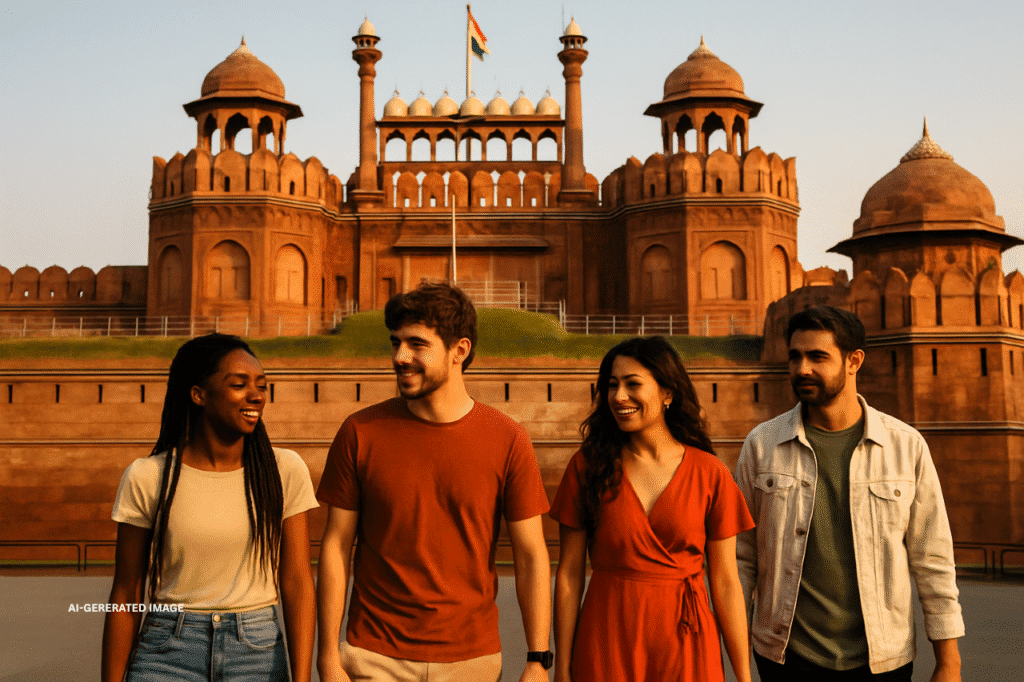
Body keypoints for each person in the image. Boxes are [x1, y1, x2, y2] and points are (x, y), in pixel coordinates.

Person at [315, 282, 552, 682]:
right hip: (374, 655)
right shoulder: (361, 431)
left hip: (470, 660)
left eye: (416, 344)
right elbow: (336, 545)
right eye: (395, 343)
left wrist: (537, 658)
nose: (400, 357)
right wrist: (328, 657)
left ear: (459, 350)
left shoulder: (507, 438)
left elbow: (531, 555)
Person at [735, 306, 965, 681]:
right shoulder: (762, 446)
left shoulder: (904, 447)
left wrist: (949, 662)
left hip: (881, 658)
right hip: (785, 656)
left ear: (854, 360)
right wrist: (737, 659)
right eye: (795, 356)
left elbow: (933, 559)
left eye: (817, 357)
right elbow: (741, 559)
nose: (801, 368)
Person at [101, 333, 318, 682]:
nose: (256, 396)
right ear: (198, 394)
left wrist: (303, 678)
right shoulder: (148, 476)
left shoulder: (283, 470)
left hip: (256, 654)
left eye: (261, 385)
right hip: (165, 653)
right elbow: (126, 592)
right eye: (239, 384)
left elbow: (297, 582)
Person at [550, 336, 754, 682]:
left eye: (632, 384)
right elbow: (569, 574)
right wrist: (562, 669)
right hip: (607, 641)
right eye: (611, 385)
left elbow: (725, 582)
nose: (618, 397)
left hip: (687, 642)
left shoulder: (709, 473)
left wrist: (744, 676)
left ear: (667, 393)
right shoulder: (587, 467)